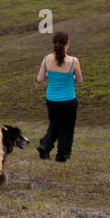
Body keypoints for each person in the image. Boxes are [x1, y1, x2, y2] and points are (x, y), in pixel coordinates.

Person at [36, 30, 82, 161]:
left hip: (52, 99)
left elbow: (39, 79)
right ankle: (62, 154)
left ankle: (45, 145)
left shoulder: (47, 59)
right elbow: (79, 80)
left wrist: (49, 75)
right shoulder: (73, 61)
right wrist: (69, 77)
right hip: (68, 100)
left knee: (54, 124)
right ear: (67, 43)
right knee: (67, 127)